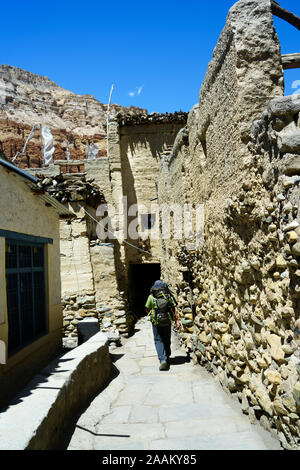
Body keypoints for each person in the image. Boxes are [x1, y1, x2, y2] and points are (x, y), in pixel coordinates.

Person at [145, 280, 180, 371]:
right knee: (167, 338)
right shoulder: (168, 296)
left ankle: (162, 359)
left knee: (158, 339)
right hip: (167, 321)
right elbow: (174, 308)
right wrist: (177, 321)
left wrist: (152, 314)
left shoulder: (151, 297)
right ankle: (167, 356)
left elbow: (147, 309)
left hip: (156, 321)